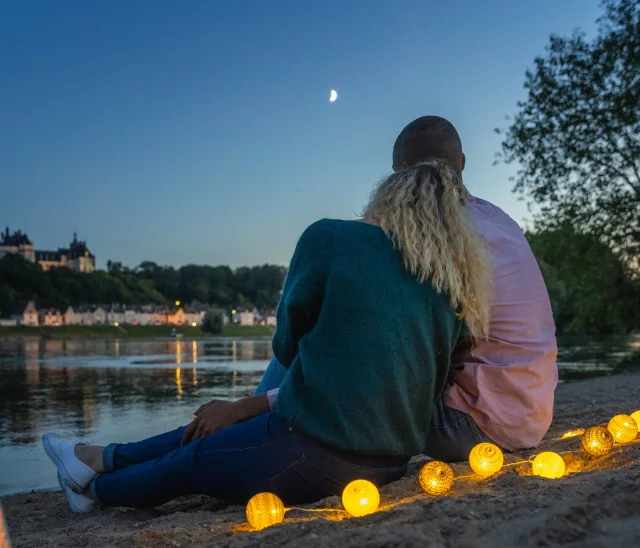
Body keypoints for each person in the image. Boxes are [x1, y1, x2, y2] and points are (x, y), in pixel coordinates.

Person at [43, 154, 493, 513]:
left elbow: (286, 346)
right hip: (392, 465)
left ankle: (93, 490)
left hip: (318, 458)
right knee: (209, 432)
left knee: (191, 462)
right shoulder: (451, 287)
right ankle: (96, 458)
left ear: (387, 200)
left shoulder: (332, 240)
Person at [195, 116, 558, 461]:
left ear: (398, 173)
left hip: (474, 427)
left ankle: (245, 431)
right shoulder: (500, 220)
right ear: (462, 162)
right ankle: (248, 423)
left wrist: (251, 404)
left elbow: (363, 369)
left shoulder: (431, 234)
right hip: (532, 414)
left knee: (329, 355)